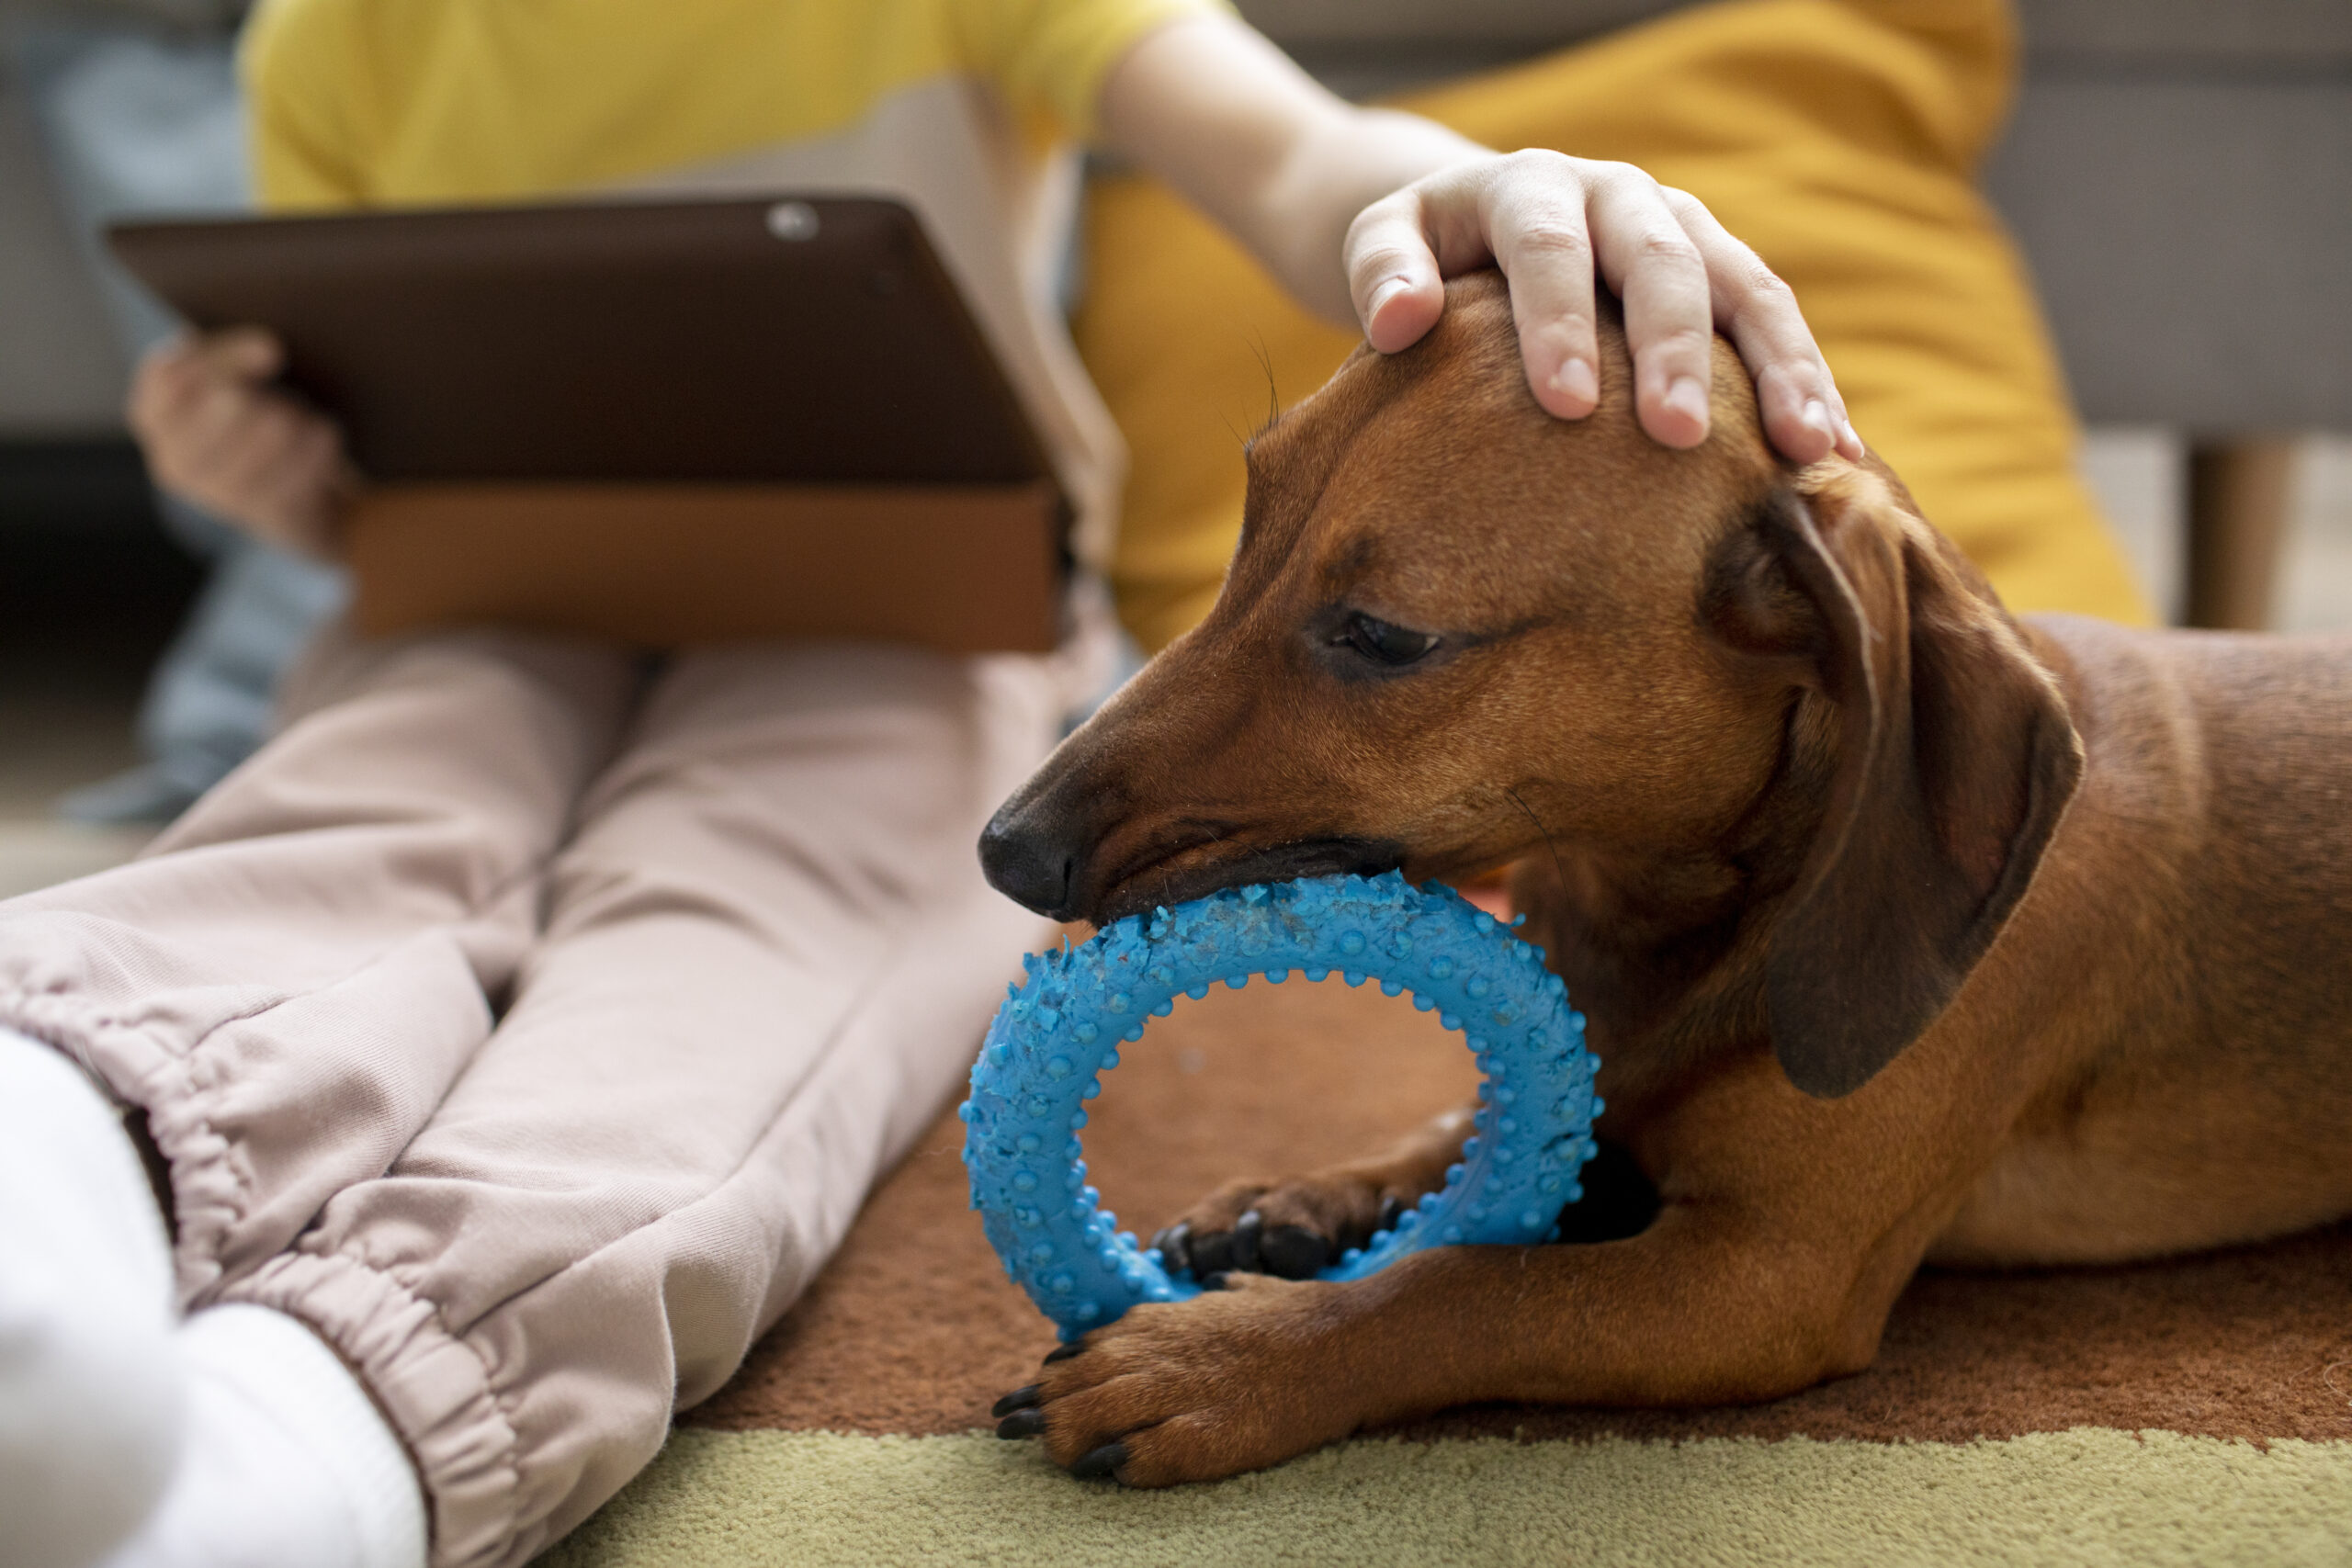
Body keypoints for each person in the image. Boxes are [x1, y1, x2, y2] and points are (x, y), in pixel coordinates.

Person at [0, 3, 1857, 1566]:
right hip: (477, 598)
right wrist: (261, 470)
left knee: (737, 941)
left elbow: (1294, 165)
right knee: (350, 826)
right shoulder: (333, 40)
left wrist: (1463, 202)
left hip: (901, 624)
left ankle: (303, 1438)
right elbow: (351, 440)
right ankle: (48, 1141)